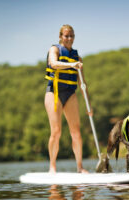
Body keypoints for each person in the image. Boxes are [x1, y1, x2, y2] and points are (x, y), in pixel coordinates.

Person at [44, 24, 92, 173]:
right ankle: (52, 166)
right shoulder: (55, 49)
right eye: (66, 36)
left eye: (72, 36)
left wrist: (89, 106)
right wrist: (73, 64)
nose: (69, 38)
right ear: (61, 37)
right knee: (56, 131)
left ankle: (80, 167)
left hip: (70, 94)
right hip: (54, 93)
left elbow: (82, 84)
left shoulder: (77, 57)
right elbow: (53, 63)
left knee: (76, 132)